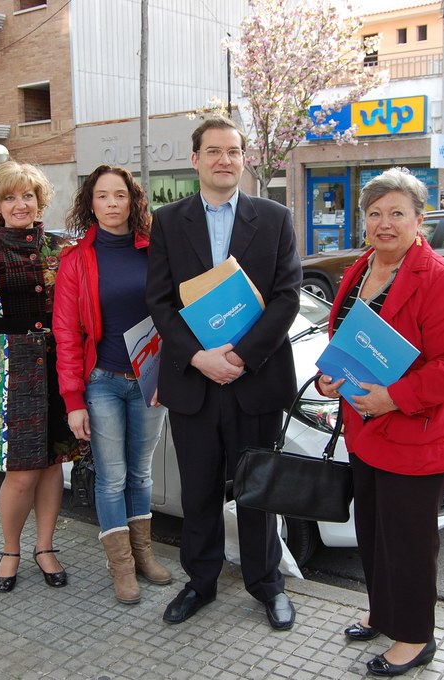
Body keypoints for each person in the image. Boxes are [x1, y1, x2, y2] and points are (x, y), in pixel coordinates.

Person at [317, 167, 444, 677]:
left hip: (416, 435)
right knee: (373, 533)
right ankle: (383, 611)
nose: (384, 223)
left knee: (408, 542)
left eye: (397, 213)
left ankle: (414, 637)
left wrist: (393, 398)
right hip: (366, 431)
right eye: (375, 213)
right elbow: (345, 337)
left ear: (419, 220)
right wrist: (330, 378)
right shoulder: (361, 267)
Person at [145, 117, 302, 631]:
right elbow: (160, 302)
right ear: (195, 160)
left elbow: (287, 297)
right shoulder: (169, 221)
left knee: (258, 490)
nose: (224, 160)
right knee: (199, 491)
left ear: (244, 159)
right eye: (213, 151)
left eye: (233, 151)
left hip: (255, 379)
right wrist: (198, 357)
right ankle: (201, 582)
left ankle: (267, 583)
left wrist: (240, 357)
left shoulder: (275, 217)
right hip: (194, 383)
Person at [0, 160, 81, 594]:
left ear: (39, 200)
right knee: (22, 472)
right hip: (9, 375)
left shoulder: (62, 248)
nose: (20, 204)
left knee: (52, 466)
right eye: (10, 197)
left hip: (59, 370)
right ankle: (10, 550)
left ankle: (45, 547)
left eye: (28, 195)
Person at [53, 165, 173, 605]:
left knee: (141, 472)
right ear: (91, 203)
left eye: (119, 195)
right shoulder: (76, 260)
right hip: (101, 381)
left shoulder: (154, 250)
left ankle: (143, 555)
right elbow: (66, 334)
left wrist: (168, 375)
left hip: (148, 380)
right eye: (102, 196)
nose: (111, 204)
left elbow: (174, 315)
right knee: (112, 477)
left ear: (132, 200)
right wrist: (73, 400)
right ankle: (120, 566)